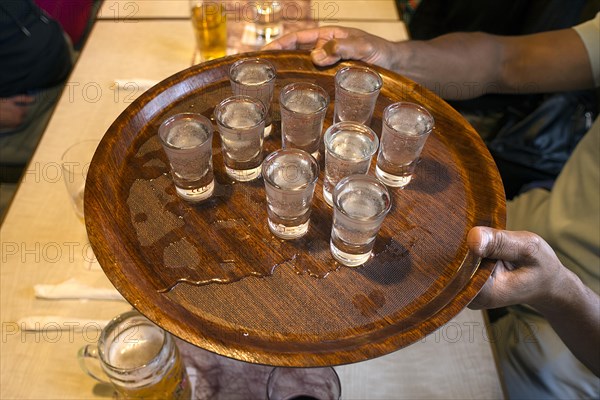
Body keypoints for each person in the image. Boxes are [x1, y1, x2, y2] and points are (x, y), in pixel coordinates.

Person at [265, 13, 600, 399]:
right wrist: (392, 55)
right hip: (534, 221)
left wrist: (558, 291)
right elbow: (505, 61)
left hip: (575, 347)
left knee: (369, 369)